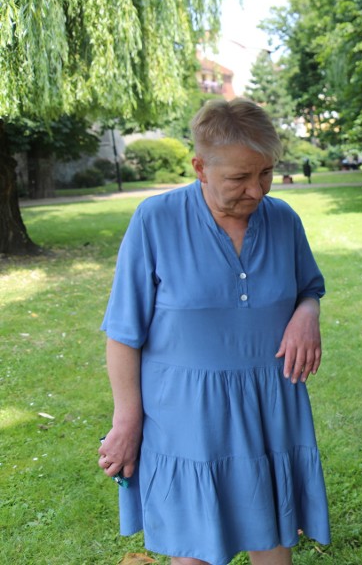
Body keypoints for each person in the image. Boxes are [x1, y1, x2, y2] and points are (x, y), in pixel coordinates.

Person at [97, 98, 330, 565]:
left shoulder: (283, 219)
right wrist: (127, 421)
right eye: (238, 179)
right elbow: (124, 332)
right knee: (197, 552)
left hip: (271, 409)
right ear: (200, 168)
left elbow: (309, 287)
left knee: (274, 546)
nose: (257, 190)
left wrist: (308, 312)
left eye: (265, 173)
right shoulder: (155, 220)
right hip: (188, 419)